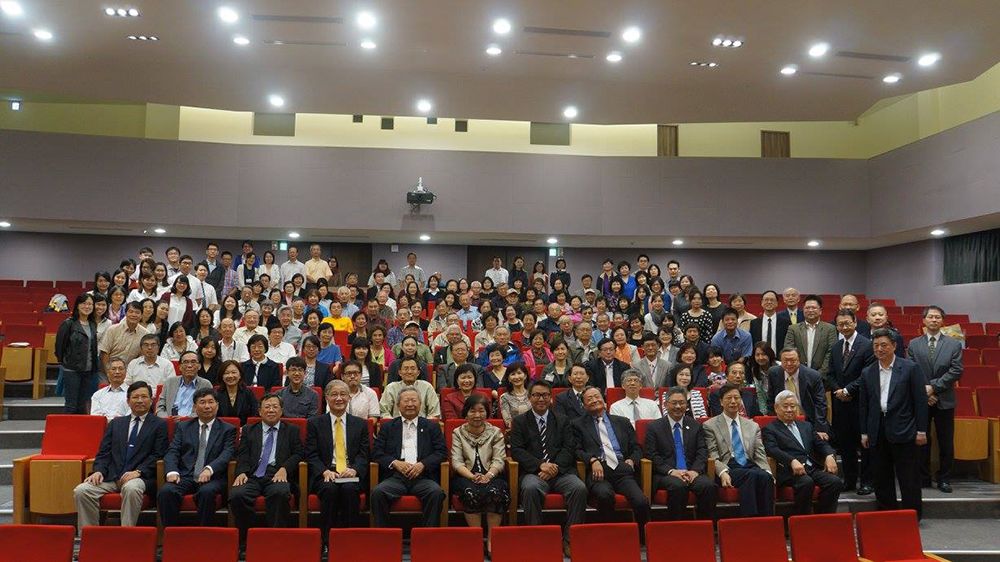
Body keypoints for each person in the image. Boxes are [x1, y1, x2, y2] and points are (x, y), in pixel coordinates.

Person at [74, 381, 168, 528]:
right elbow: (104, 452)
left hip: (141, 477)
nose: (140, 400)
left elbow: (159, 454)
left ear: (151, 401)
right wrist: (98, 471)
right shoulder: (116, 423)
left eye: (144, 397)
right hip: (112, 476)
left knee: (131, 488)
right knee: (82, 490)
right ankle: (90, 535)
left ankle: (127, 534)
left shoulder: (159, 424)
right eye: (135, 397)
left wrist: (139, 471)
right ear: (128, 401)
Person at [508, 380, 585, 556]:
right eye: (536, 395)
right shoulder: (520, 421)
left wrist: (554, 467)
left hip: (561, 471)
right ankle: (537, 538)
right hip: (534, 473)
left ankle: (569, 539)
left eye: (545, 395)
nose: (541, 399)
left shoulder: (562, 420)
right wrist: (540, 465)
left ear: (551, 398)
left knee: (579, 488)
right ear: (529, 398)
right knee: (530, 488)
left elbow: (569, 447)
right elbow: (517, 450)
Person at [859, 329, 928, 518]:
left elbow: (920, 402)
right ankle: (886, 515)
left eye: (884, 345)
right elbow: (864, 405)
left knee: (909, 477)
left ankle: (912, 516)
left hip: (904, 429)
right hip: (877, 430)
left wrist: (921, 430)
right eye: (876, 346)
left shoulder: (910, 368)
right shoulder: (867, 372)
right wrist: (864, 432)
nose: (879, 349)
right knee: (881, 477)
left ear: (894, 346)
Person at [571, 387, 650, 539]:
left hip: (622, 470)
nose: (594, 400)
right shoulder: (577, 424)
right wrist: (592, 460)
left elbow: (636, 447)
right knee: (604, 495)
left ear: (604, 400)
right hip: (598, 472)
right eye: (589, 399)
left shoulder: (622, 422)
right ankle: (609, 537)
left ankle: (643, 539)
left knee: (641, 501)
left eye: (597, 396)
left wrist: (632, 460)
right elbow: (576, 449)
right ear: (584, 405)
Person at [230, 393, 303, 546]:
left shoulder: (292, 430)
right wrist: (241, 471)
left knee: (280, 493)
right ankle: (246, 541)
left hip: (277, 474)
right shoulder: (249, 430)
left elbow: (298, 454)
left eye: (275, 407)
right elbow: (242, 454)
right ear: (259, 411)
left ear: (281, 411)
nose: (271, 410)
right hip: (252, 474)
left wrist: (285, 468)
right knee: (238, 494)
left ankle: (275, 541)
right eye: (267, 407)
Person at [158, 388, 237, 526]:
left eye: (211, 402)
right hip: (186, 475)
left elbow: (227, 454)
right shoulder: (183, 427)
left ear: (217, 405)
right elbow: (173, 451)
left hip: (213, 477)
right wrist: (172, 471)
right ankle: (171, 533)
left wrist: (209, 469)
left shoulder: (228, 429)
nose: (207, 406)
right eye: (202, 402)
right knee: (166, 491)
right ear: (195, 407)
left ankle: (204, 533)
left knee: (206, 492)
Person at [371, 387, 448, 527]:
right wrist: (395, 463)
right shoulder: (388, 427)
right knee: (378, 493)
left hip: (423, 476)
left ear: (420, 404)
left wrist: (423, 464)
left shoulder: (431, 426)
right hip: (395, 476)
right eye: (406, 401)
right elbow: (377, 452)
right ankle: (385, 536)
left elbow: (441, 452)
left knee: (436, 492)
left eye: (414, 400)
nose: (410, 404)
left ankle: (428, 536)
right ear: (398, 405)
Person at [906, 305, 963, 493]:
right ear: (924, 320)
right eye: (930, 317)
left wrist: (934, 388)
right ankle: (923, 477)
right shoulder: (914, 344)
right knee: (922, 439)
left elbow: (956, 370)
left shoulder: (954, 344)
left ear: (942, 321)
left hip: (944, 399)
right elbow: (911, 370)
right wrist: (925, 392)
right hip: (921, 399)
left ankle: (944, 478)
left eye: (937, 317)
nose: (934, 320)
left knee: (946, 442)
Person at [763, 390, 843, 515]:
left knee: (834, 482)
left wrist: (829, 455)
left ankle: (823, 517)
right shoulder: (770, 429)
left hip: (812, 468)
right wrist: (791, 460)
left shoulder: (806, 426)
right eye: (785, 406)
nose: (789, 410)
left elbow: (821, 444)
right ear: (776, 408)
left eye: (793, 406)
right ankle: (802, 519)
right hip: (789, 471)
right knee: (806, 482)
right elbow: (772, 449)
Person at [645, 386, 717, 520]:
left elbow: (702, 451)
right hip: (667, 473)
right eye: (674, 403)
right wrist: (672, 471)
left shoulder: (695, 425)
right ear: (665, 405)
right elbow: (651, 454)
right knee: (678, 486)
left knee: (708, 486)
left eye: (682, 403)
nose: (678, 406)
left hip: (691, 471)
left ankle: (706, 527)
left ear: (687, 405)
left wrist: (695, 471)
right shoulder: (654, 427)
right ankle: (677, 526)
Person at [450, 393, 510, 554]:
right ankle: (475, 538)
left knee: (496, 492)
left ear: (487, 413)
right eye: (472, 411)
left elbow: (499, 460)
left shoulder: (495, 432)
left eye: (481, 410)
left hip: (492, 475)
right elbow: (456, 462)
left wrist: (488, 475)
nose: (477, 415)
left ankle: (491, 539)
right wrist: (472, 476)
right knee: (471, 492)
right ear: (465, 413)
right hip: (466, 476)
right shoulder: (458, 432)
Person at [704, 384, 775, 517]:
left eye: (736, 398)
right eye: (729, 398)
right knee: (751, 475)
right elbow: (712, 455)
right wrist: (723, 472)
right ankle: (750, 520)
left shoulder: (752, 425)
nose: (733, 401)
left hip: (749, 464)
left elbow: (759, 453)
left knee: (765, 477)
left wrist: (767, 470)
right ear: (721, 401)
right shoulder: (710, 425)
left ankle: (767, 521)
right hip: (728, 465)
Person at [829, 309, 876, 494]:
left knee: (864, 445)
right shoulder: (835, 347)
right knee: (846, 445)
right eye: (840, 324)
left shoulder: (867, 345)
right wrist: (838, 390)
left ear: (855, 322)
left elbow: (867, 374)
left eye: (847, 323)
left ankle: (867, 482)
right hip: (841, 404)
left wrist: (848, 390)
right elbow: (830, 374)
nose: (844, 327)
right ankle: (849, 480)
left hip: (860, 403)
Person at [767, 347, 830, 438]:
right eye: (785, 361)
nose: (789, 364)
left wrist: (819, 428)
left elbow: (820, 404)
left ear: (799, 360)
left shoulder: (813, 376)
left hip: (809, 421)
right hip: (783, 421)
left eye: (792, 361)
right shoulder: (773, 373)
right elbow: (771, 400)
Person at [55, 293, 100, 413]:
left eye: (90, 304)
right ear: (77, 306)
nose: (87, 306)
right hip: (72, 370)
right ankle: (68, 425)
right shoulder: (68, 324)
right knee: (71, 405)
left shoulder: (92, 324)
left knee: (82, 404)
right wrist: (66, 363)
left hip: (88, 371)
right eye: (84, 303)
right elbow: (59, 347)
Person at [783, 294, 838, 374]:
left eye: (814, 308)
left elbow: (831, 353)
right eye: (807, 308)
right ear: (803, 310)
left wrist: (819, 374)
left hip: (822, 376)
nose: (810, 310)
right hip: (798, 373)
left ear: (820, 311)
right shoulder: (793, 329)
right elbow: (788, 350)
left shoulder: (830, 329)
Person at [157, 351, 212, 417]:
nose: (189, 366)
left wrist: (185, 419)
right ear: (180, 366)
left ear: (199, 366)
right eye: (186, 362)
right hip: (169, 420)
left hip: (193, 421)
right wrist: (167, 418)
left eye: (193, 362)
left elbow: (206, 409)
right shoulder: (170, 382)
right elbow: (160, 406)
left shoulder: (205, 384)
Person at [98, 301, 147, 373]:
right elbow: (104, 353)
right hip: (108, 370)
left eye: (137, 312)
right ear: (125, 313)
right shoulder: (113, 329)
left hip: (129, 372)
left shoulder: (145, 334)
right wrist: (109, 373)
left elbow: (141, 357)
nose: (134, 315)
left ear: (141, 315)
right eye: (131, 312)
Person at [499, 362, 531, 427]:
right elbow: (508, 422)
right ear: (509, 379)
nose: (516, 377)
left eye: (519, 373)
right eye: (513, 374)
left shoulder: (533, 394)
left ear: (525, 376)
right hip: (516, 430)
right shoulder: (505, 397)